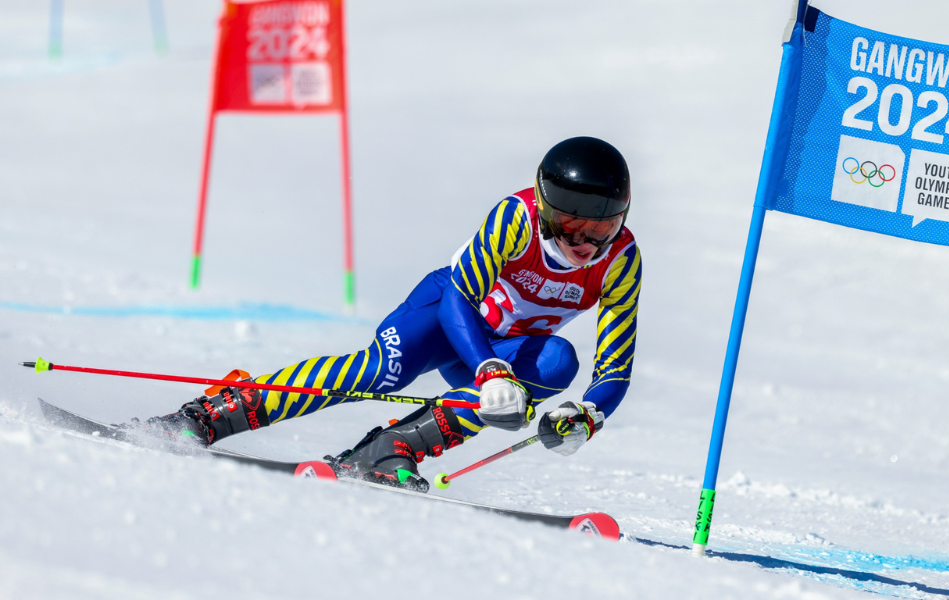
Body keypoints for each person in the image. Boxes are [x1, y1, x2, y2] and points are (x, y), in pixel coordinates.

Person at [147, 136, 642, 492]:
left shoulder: (620, 261)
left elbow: (615, 365)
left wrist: (588, 414)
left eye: (601, 228)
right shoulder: (516, 218)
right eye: (570, 225)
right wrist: (490, 369)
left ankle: (389, 450)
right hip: (450, 316)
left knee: (557, 363)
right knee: (383, 371)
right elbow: (460, 299)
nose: (584, 243)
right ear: (544, 209)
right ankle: (215, 413)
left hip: (506, 348)